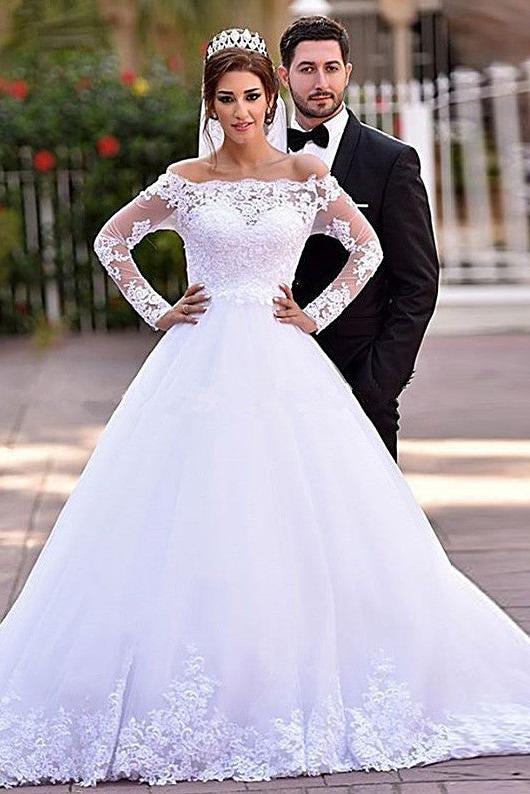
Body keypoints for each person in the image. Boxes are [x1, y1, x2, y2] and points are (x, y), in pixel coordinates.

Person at [0, 28, 529, 789]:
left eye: (252, 96)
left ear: (269, 98)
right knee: (190, 512)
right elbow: (112, 241)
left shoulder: (306, 172)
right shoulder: (186, 178)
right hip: (199, 362)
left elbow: (370, 250)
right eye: (227, 98)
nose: (241, 110)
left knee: (304, 512)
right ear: (211, 104)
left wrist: (315, 314)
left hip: (285, 362)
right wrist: (159, 311)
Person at [278, 16, 440, 461]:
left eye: (331, 68)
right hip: (276, 377)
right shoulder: (260, 159)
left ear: (347, 72)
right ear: (284, 75)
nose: (321, 81)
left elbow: (418, 282)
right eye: (307, 69)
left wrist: (380, 381)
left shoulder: (392, 161)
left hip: (359, 379)